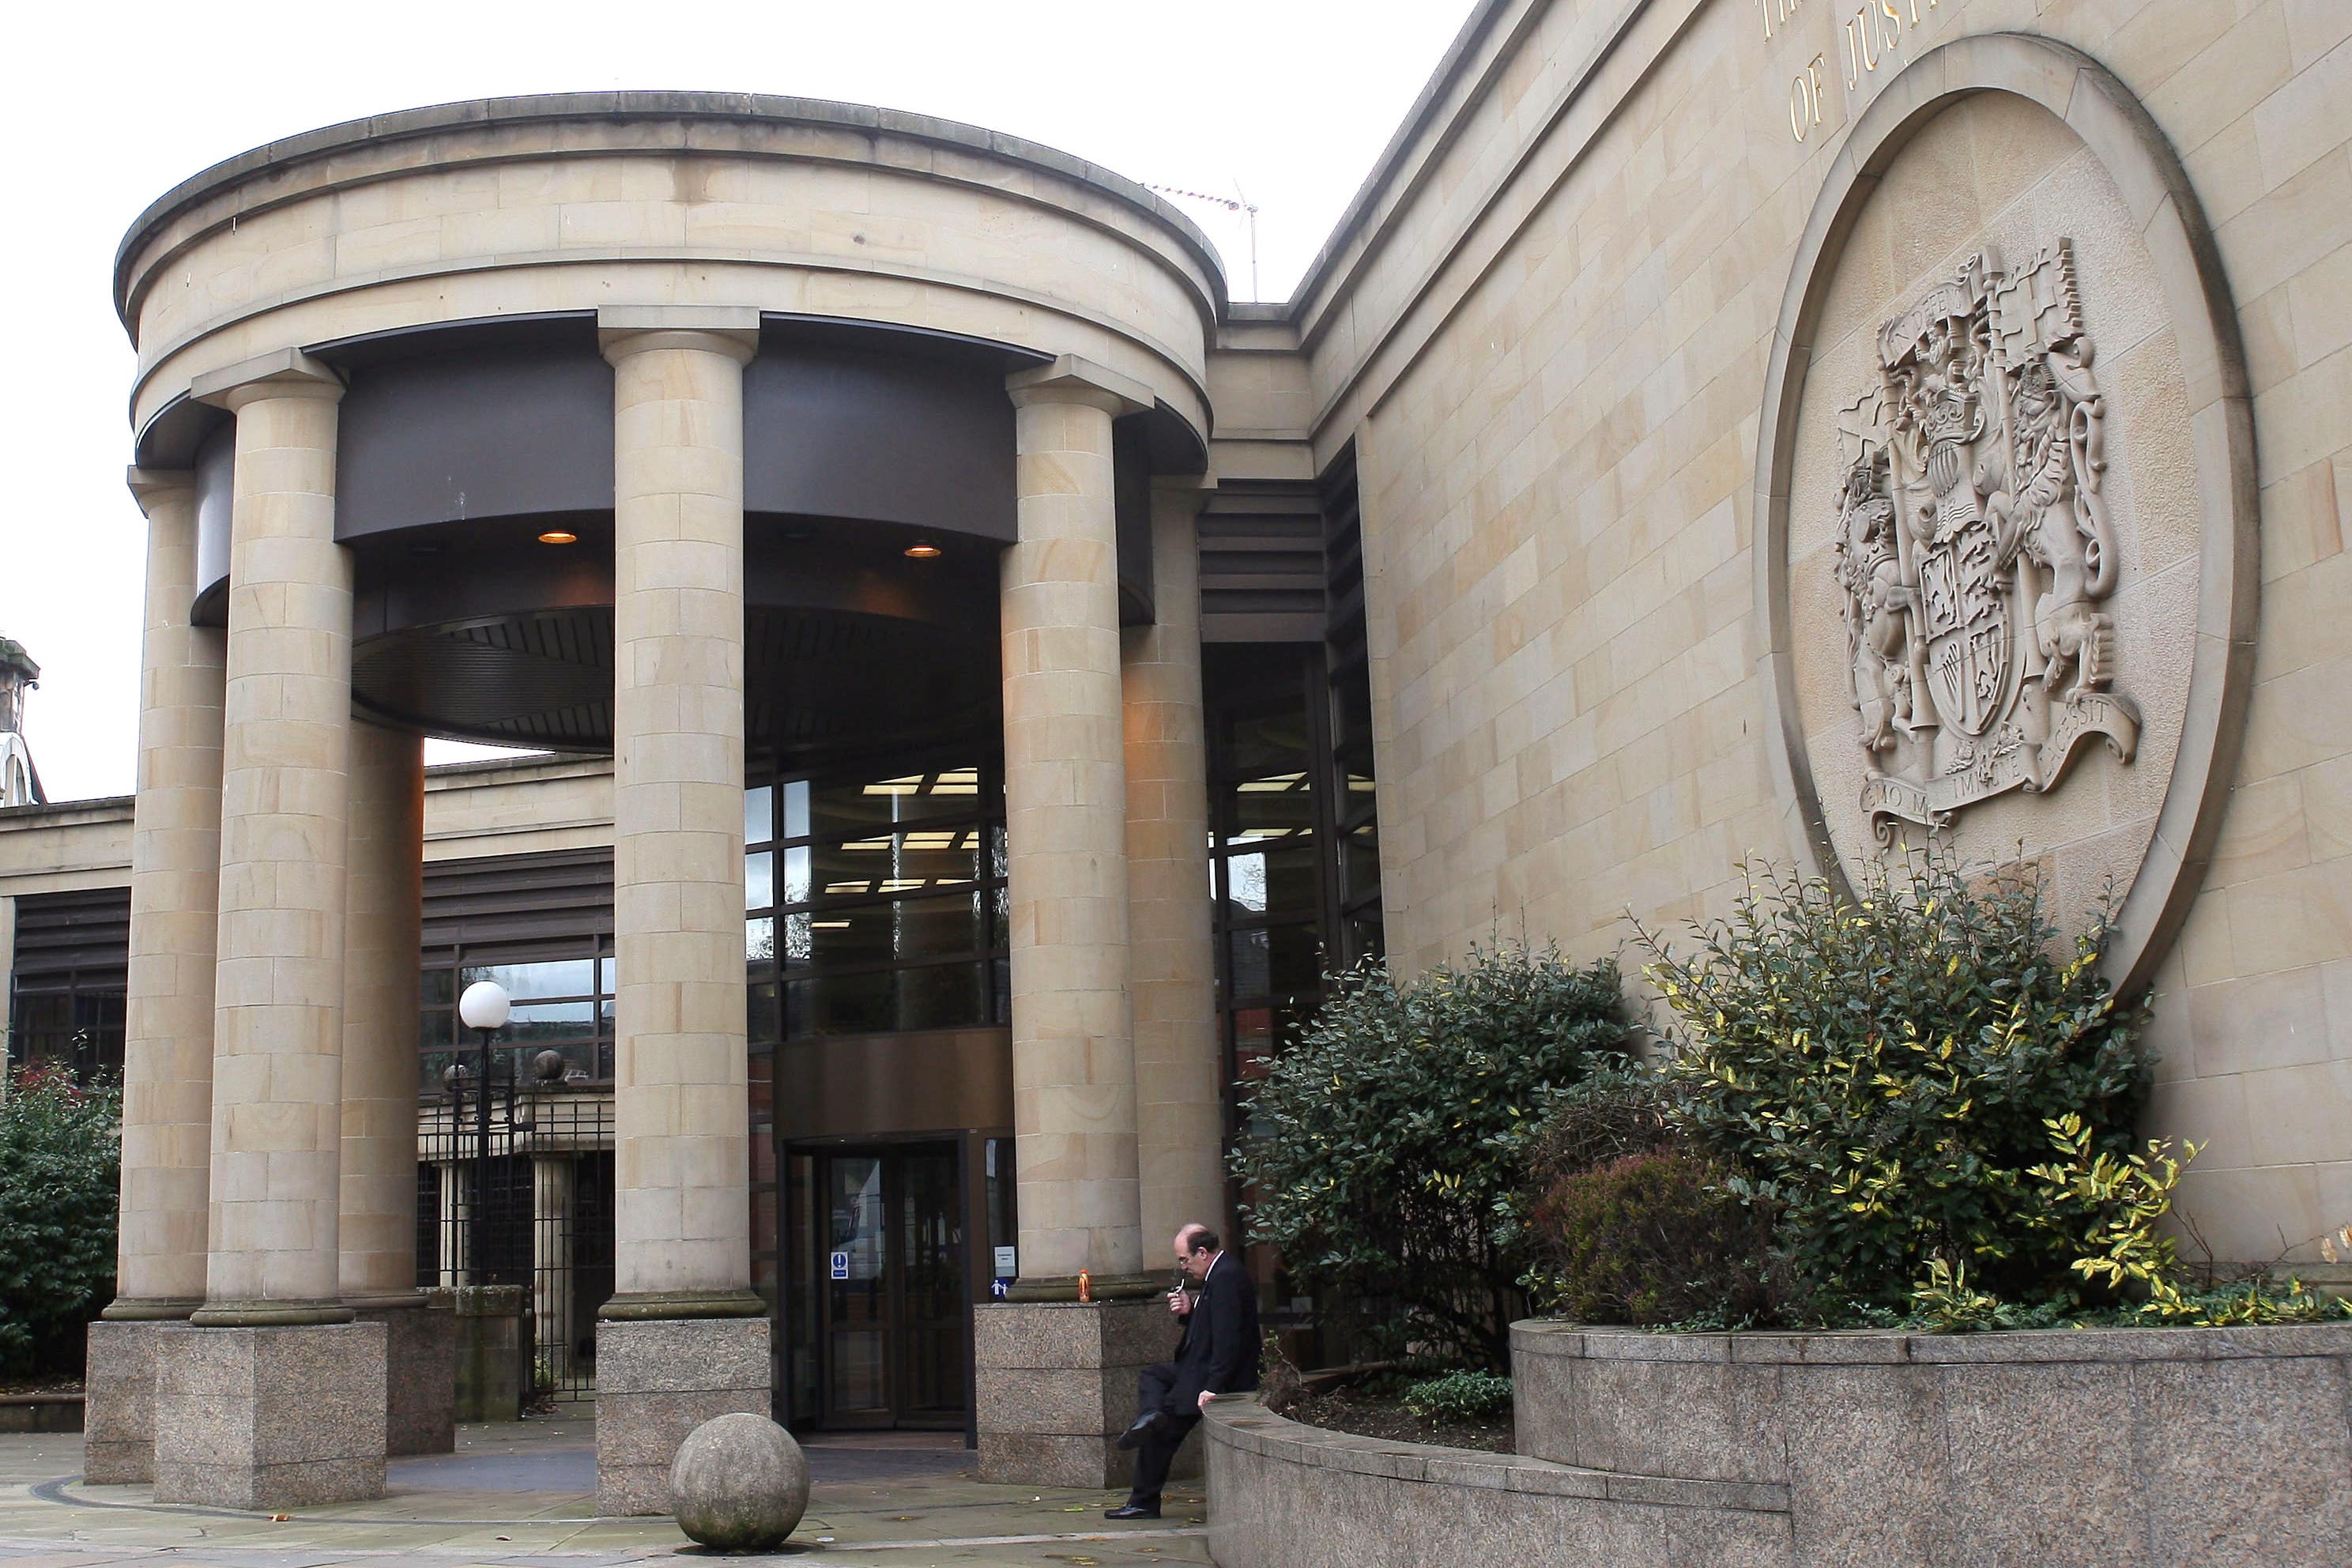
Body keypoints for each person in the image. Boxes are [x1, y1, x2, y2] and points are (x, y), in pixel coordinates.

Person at [1104, 1223, 1259, 1520]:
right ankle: (1150, 1416)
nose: (1183, 1267)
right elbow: (1213, 1326)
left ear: (1202, 1252)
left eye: (1184, 1260)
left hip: (1208, 1377)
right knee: (1154, 1376)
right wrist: (1190, 1311)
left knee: (1159, 1438)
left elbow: (1229, 1339)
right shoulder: (1221, 1273)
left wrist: (1214, 1386)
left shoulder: (1226, 1277)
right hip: (1195, 1368)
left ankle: (1144, 1500)